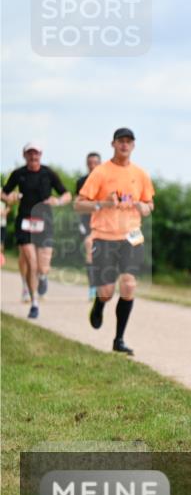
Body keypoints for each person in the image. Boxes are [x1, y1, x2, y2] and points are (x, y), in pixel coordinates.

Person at [74, 128, 155, 355]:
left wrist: (145, 207)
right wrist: (103, 204)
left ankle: (118, 339)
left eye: (129, 141)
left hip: (132, 236)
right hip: (104, 236)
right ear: (113, 144)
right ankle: (99, 304)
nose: (124, 145)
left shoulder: (140, 174)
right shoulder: (100, 172)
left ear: (133, 146)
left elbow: (149, 204)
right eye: (121, 141)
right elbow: (79, 204)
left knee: (128, 285)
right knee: (107, 291)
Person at [1, 143, 72, 319]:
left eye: (36, 153)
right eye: (30, 153)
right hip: (25, 221)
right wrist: (10, 197)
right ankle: (34, 303)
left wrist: (58, 201)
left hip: (44, 222)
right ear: (24, 155)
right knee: (31, 262)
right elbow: (3, 193)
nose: (33, 157)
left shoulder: (48, 173)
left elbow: (67, 194)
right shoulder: (19, 174)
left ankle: (43, 277)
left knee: (42, 266)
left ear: (41, 155)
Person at [76, 152, 102, 301]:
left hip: (104, 222)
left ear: (100, 164)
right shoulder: (81, 182)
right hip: (86, 222)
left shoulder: (106, 180)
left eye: (95, 163)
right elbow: (77, 205)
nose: (92, 166)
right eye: (90, 163)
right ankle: (92, 287)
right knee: (89, 251)